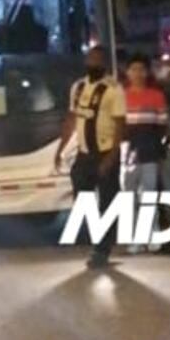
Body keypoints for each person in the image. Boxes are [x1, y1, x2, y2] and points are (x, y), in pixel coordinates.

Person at [53, 42, 126, 269]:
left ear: (104, 63)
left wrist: (111, 158)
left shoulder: (113, 90)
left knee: (108, 200)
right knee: (83, 198)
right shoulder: (78, 88)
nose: (92, 63)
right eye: (90, 59)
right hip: (84, 155)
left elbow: (120, 126)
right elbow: (71, 120)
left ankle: (102, 249)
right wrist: (60, 149)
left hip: (104, 153)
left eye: (97, 60)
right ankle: (99, 238)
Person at [121, 54, 170, 248]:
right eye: (133, 69)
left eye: (141, 69)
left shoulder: (156, 96)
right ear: (128, 72)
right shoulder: (121, 95)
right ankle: (135, 239)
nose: (137, 74)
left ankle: (153, 236)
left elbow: (162, 127)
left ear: (147, 72)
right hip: (127, 154)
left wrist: (161, 154)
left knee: (149, 195)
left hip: (150, 151)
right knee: (129, 197)